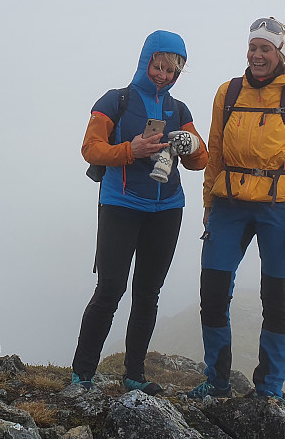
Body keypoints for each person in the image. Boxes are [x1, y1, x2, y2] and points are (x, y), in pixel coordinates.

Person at [187, 17, 285, 400]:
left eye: (266, 48)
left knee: (277, 298)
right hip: (228, 203)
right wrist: (208, 203)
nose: (257, 55)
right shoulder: (227, 93)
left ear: (281, 54)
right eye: (253, 47)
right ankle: (216, 382)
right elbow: (214, 151)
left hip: (280, 207)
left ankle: (269, 391)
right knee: (213, 292)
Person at [73, 30, 208, 395]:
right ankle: (82, 375)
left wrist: (190, 144)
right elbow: (91, 148)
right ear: (145, 60)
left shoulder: (179, 110)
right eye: (159, 66)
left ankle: (134, 374)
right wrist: (130, 150)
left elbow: (202, 160)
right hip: (121, 204)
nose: (164, 75)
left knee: (149, 293)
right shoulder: (115, 101)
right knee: (110, 289)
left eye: (173, 70)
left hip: (168, 208)